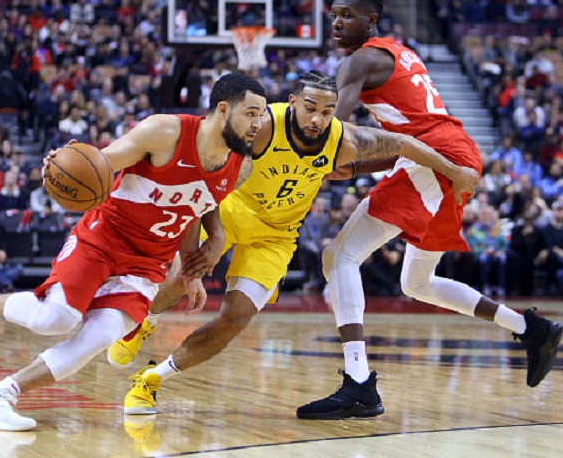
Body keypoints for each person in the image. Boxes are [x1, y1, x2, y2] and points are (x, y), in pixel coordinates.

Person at [112, 70, 480, 415]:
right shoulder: (260, 131)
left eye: (326, 111)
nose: (317, 119)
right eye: (309, 108)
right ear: (292, 102)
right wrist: (213, 240)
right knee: (181, 277)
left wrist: (455, 171)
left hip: (277, 234)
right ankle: (147, 318)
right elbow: (207, 186)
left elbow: (401, 143)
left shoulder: (341, 139)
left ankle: (151, 379)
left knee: (234, 319)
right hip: (232, 211)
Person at [0, 73, 267, 431]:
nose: (258, 124)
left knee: (100, 336)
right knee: (56, 319)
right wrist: (63, 166)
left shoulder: (241, 165)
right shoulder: (165, 132)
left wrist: (200, 261)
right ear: (223, 110)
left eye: (261, 116)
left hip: (149, 262)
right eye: (251, 113)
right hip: (106, 236)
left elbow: (198, 204)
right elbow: (99, 163)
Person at [296, 0, 563, 420]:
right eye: (334, 14)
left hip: (437, 159)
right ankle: (530, 328)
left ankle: (359, 383)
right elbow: (400, 135)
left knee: (338, 256)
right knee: (417, 283)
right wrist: (357, 169)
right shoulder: (396, 52)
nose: (338, 22)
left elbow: (333, 131)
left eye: (348, 14)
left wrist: (303, 161)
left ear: (371, 21)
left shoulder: (356, 62)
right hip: (446, 154)